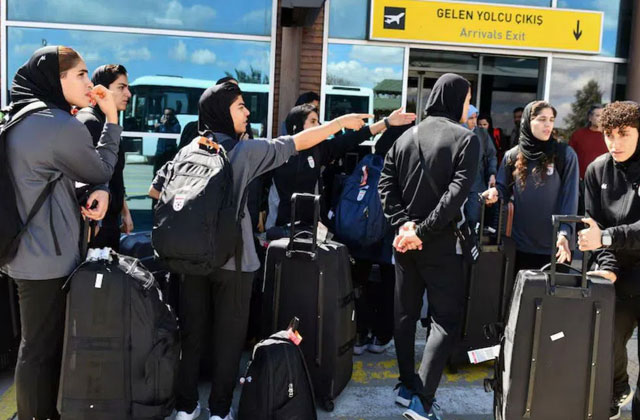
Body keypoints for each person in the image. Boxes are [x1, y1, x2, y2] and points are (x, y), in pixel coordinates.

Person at [149, 81, 371, 420]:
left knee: (192, 334)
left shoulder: (191, 148)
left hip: (189, 259)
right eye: (240, 106)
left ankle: (186, 406)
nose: (247, 112)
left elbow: (156, 191)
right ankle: (219, 410)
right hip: (235, 262)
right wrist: (340, 123)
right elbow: (296, 142)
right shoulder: (244, 151)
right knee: (229, 340)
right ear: (223, 112)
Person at [0, 46, 121, 420]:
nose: (88, 82)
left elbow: (45, 177)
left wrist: (88, 192)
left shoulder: (20, 117)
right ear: (57, 79)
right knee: (39, 350)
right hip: (47, 260)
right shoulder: (57, 124)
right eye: (80, 74)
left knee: (36, 346)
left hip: (23, 251)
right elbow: (100, 169)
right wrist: (112, 117)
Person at [379, 73, 480, 420]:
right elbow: (456, 195)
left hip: (404, 244)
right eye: (467, 100)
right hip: (440, 245)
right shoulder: (466, 139)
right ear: (456, 100)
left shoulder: (405, 136)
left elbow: (385, 184)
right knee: (444, 320)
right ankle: (422, 402)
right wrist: (421, 230)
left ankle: (406, 387)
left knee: (404, 316)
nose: (468, 106)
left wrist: (403, 225)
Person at [576, 101, 640, 420]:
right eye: (609, 134)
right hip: (617, 271)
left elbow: (603, 234)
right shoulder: (597, 169)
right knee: (607, 338)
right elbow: (593, 225)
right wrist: (608, 265)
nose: (615, 143)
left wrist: (606, 237)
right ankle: (618, 387)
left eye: (624, 134)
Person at [268, 104, 415, 230]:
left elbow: (350, 139)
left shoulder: (319, 150)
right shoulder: (278, 151)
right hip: (278, 229)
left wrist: (386, 122)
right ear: (296, 126)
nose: (318, 126)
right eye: (312, 121)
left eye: (318, 121)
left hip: (310, 229)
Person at [482, 101, 579, 273]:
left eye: (551, 120)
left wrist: (565, 232)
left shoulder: (564, 154)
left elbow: (570, 198)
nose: (548, 124)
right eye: (542, 119)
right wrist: (494, 193)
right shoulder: (512, 155)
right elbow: (503, 188)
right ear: (528, 121)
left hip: (556, 246)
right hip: (520, 245)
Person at [76, 64, 133, 250]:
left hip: (108, 220)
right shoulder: (91, 122)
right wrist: (92, 225)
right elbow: (87, 178)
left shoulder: (106, 122)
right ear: (102, 90)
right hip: (97, 224)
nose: (128, 94)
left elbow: (112, 175)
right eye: (121, 87)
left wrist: (124, 211)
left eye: (128, 87)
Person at [464, 105, 497, 229]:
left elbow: (491, 155)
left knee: (473, 218)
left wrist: (492, 174)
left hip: (476, 184)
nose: (474, 121)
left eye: (475, 118)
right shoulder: (455, 132)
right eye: (470, 118)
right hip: (457, 185)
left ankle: (472, 239)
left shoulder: (481, 134)